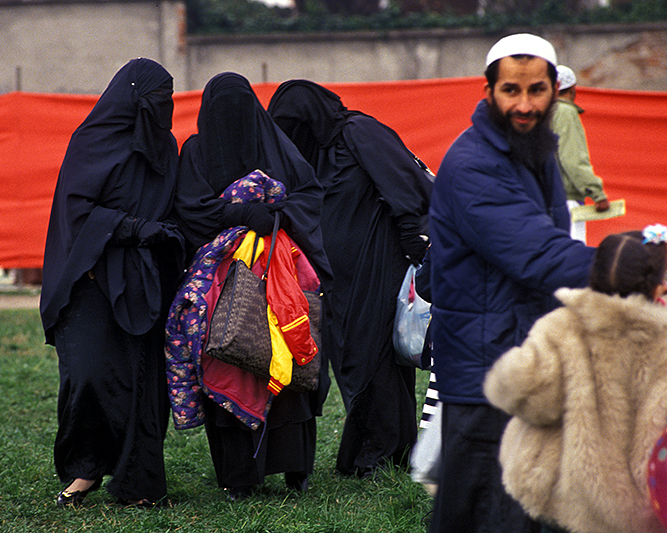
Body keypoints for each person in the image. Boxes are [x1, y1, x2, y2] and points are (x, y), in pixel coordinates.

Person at [428, 33, 596, 533]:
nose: (524, 105)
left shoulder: (536, 148)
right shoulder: (473, 163)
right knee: (483, 510)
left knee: (531, 506)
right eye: (511, 91)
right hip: (485, 373)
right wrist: (615, 264)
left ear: (555, 91)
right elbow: (536, 252)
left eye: (536, 90)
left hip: (527, 361)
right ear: (488, 93)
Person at [484, 225, 667, 533]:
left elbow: (523, 393)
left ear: (593, 276)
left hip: (565, 495)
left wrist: (510, 372)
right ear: (660, 286)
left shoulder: (561, 328)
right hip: (645, 506)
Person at [168, 72, 333, 500]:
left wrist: (273, 215)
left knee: (282, 357)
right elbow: (190, 208)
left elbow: (308, 196)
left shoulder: (274, 146)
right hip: (223, 281)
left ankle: (288, 470)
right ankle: (244, 475)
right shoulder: (196, 152)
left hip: (280, 272)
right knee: (232, 354)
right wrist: (241, 215)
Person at [267, 80, 434, 478]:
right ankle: (369, 448)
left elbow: (404, 184)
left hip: (378, 265)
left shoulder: (358, 133)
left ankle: (385, 451)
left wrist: (414, 239)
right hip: (339, 277)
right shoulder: (313, 153)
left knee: (372, 355)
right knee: (350, 358)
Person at [39, 58, 185, 507]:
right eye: (158, 98)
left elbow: (174, 206)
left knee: (142, 381)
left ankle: (138, 483)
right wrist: (135, 228)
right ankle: (83, 472)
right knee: (88, 375)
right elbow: (78, 211)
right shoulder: (92, 141)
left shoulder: (167, 148)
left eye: (170, 98)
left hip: (146, 278)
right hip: (89, 275)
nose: (166, 107)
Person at [551, 64, 610, 243]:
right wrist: (596, 193)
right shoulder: (565, 112)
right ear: (573, 88)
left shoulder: (543, 113)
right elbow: (572, 159)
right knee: (571, 254)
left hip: (547, 198)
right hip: (567, 201)